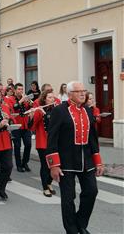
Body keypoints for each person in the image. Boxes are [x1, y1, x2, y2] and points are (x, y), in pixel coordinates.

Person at [46, 81, 104, 234]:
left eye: (84, 91)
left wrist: (98, 161)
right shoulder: (59, 111)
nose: (83, 93)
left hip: (87, 161)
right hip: (65, 161)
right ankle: (71, 230)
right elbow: (52, 138)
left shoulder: (87, 110)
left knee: (92, 191)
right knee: (68, 198)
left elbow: (93, 138)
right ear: (70, 94)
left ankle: (80, 223)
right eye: (79, 91)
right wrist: (54, 165)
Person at [27, 90, 56, 197]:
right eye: (49, 97)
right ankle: (45, 187)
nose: (52, 99)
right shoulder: (40, 110)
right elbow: (31, 127)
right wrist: (31, 116)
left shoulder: (56, 109)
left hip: (55, 142)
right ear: (44, 99)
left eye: (53, 97)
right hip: (43, 142)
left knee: (55, 164)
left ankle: (49, 182)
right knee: (45, 166)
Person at [8, 83, 33, 172]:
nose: (21, 91)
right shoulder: (10, 99)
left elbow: (29, 108)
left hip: (25, 124)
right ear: (14, 90)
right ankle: (19, 165)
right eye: (19, 89)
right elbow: (13, 108)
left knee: (28, 144)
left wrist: (30, 103)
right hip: (16, 125)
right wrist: (21, 100)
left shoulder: (25, 99)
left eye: (22, 89)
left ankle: (25, 162)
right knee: (17, 146)